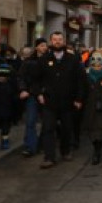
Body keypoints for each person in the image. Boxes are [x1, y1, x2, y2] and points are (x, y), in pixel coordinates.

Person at [37, 32, 85, 169]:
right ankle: (49, 157)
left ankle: (66, 151)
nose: (57, 42)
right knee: (48, 129)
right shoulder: (44, 59)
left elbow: (80, 81)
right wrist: (39, 93)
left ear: (63, 41)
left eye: (60, 39)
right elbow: (36, 79)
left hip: (68, 101)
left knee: (66, 128)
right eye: (54, 39)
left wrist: (79, 98)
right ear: (51, 41)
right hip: (49, 101)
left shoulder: (73, 59)